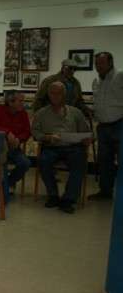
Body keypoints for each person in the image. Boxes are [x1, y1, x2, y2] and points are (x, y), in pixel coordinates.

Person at [32, 81, 91, 214]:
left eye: (58, 93)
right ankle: (53, 195)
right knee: (43, 161)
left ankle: (69, 199)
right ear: (48, 94)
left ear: (64, 95)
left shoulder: (76, 112)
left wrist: (87, 139)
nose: (55, 96)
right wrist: (47, 137)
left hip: (73, 147)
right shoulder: (41, 113)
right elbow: (35, 132)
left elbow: (86, 133)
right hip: (51, 147)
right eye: (52, 93)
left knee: (79, 163)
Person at [88, 52, 123, 201]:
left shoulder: (120, 76)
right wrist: (93, 111)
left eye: (101, 63)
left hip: (119, 125)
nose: (98, 66)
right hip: (102, 127)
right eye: (96, 63)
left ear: (110, 63)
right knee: (104, 161)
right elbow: (99, 103)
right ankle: (105, 192)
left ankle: (121, 194)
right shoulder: (96, 81)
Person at [0, 90, 31, 190]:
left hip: (13, 148)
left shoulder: (23, 113)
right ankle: (2, 188)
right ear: (10, 102)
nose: (23, 103)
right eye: (20, 101)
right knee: (2, 164)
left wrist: (19, 139)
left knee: (25, 163)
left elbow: (27, 131)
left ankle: (9, 183)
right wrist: (6, 132)